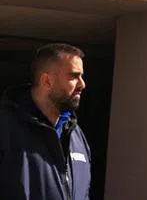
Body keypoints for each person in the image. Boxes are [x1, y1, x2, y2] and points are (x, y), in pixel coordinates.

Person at [0, 42, 93, 200]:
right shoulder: (6, 127)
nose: (82, 85)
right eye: (74, 76)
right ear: (47, 82)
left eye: (82, 77)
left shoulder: (76, 135)